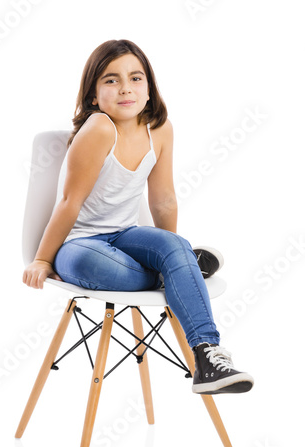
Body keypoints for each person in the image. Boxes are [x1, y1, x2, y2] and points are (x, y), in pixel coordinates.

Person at [23, 39, 253, 395]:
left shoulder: (159, 129)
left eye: (136, 78)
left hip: (125, 235)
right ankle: (182, 273)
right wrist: (41, 258)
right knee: (92, 264)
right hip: (79, 244)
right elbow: (69, 201)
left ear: (149, 89)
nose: (126, 87)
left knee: (176, 245)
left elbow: (162, 201)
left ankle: (207, 356)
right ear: (94, 95)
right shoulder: (99, 128)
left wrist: (172, 248)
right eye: (111, 80)